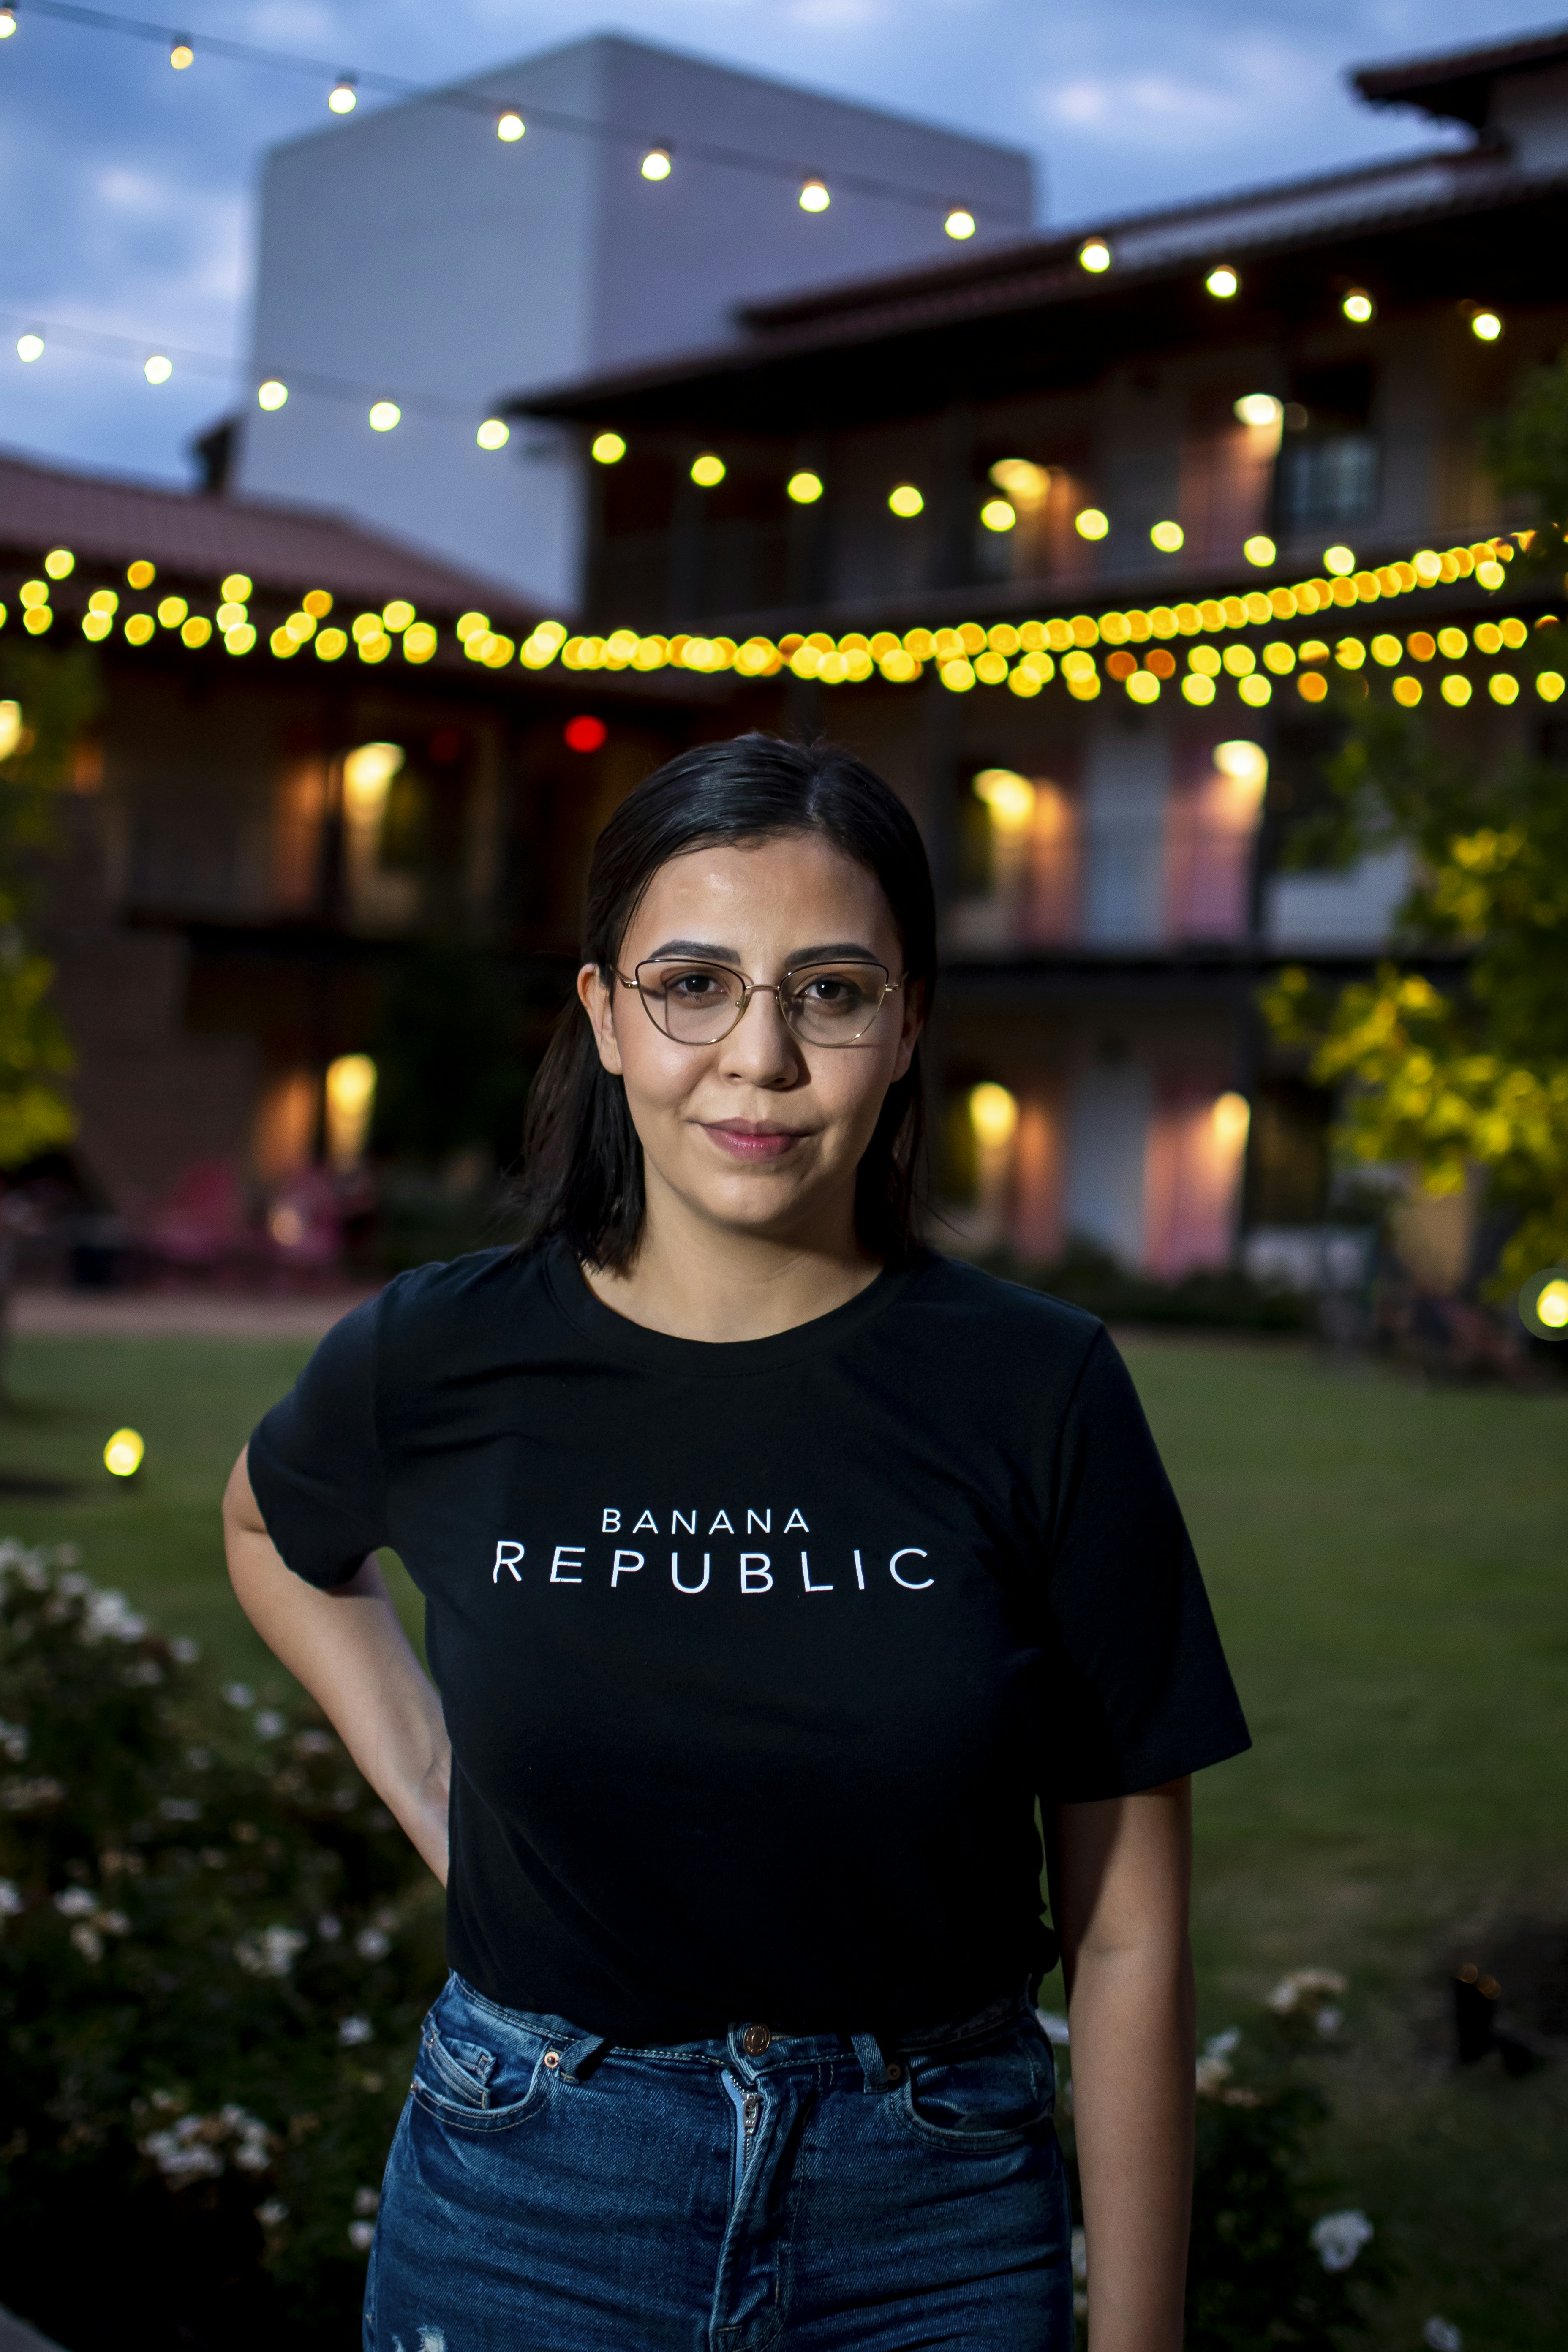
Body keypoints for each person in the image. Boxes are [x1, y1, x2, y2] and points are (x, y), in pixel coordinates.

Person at [224, 733, 1249, 2352]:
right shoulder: (444, 1354)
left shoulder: (1038, 1387)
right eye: (693, 983)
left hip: (937, 2204)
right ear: (605, 1017)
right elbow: (270, 1527)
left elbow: (1126, 1935)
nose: (758, 1058)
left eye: (830, 991)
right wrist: (436, 1793)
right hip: (530, 2193)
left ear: (907, 1025)